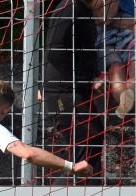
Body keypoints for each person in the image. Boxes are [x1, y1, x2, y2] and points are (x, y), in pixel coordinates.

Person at [42, 0, 105, 185]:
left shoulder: (80, 9)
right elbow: (54, 52)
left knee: (91, 139)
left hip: (73, 89)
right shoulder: (69, 9)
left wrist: (94, 74)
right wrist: (86, 78)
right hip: (64, 91)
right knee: (86, 143)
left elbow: (83, 51)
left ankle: (89, 193)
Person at [93, 0, 136, 118]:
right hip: (106, 41)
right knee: (115, 67)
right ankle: (125, 102)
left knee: (134, 67)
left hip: (130, 37)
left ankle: (128, 100)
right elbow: (104, 19)